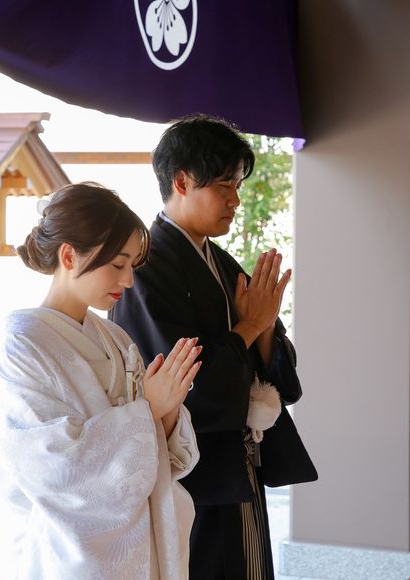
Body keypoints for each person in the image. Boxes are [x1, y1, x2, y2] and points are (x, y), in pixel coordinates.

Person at [111, 115, 317, 580]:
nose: (235, 200)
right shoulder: (145, 269)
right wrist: (250, 326)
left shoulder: (220, 262)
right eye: (224, 185)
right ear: (182, 182)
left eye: (237, 186)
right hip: (190, 470)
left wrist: (263, 328)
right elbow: (185, 384)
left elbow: (275, 372)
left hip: (237, 464)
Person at [0, 182, 201, 580]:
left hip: (137, 544)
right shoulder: (23, 345)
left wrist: (165, 412)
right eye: (118, 265)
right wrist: (147, 409)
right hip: (64, 553)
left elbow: (155, 450)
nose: (128, 281)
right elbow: (53, 465)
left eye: (132, 267)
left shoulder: (116, 338)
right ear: (69, 255)